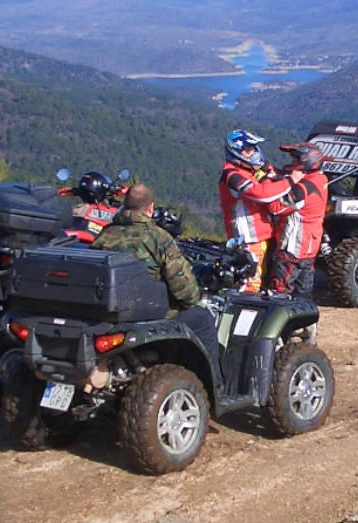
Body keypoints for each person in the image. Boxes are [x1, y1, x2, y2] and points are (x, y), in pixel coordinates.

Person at [95, 183, 220, 362]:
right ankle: (212, 384)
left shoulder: (105, 234)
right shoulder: (159, 238)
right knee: (203, 319)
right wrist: (195, 295)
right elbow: (185, 292)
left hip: (109, 312)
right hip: (149, 314)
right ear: (150, 208)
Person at [218, 129, 298, 293]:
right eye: (248, 149)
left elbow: (273, 175)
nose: (253, 152)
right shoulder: (232, 175)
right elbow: (262, 194)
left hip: (264, 236)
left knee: (265, 281)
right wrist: (290, 181)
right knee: (249, 285)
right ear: (236, 152)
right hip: (247, 239)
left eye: (254, 148)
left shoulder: (250, 169)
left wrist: (289, 172)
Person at [266, 142, 328, 298]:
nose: (291, 163)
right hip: (309, 247)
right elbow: (296, 177)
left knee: (279, 293)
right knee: (303, 295)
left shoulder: (302, 189)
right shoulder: (320, 179)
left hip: (293, 250)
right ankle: (305, 321)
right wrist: (278, 174)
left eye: (295, 160)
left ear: (306, 161)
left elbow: (275, 207)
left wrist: (267, 182)